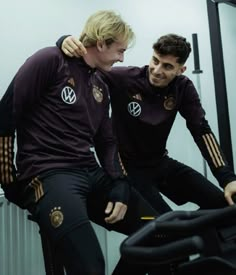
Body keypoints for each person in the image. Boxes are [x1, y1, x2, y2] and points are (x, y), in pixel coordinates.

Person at [0, 10, 158, 275]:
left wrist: (120, 184)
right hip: (51, 175)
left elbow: (107, 142)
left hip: (90, 173)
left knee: (157, 230)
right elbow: (5, 115)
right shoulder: (50, 60)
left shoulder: (100, 84)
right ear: (101, 43)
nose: (122, 58)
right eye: (120, 50)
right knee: (91, 266)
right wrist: (9, 181)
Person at [56, 33, 236, 214]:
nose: (157, 70)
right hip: (130, 169)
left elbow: (202, 131)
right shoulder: (125, 78)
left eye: (167, 66)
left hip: (161, 162)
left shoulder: (183, 88)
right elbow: (87, 65)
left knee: (224, 205)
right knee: (166, 223)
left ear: (181, 70)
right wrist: (64, 41)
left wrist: (227, 178)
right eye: (155, 61)